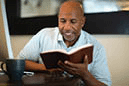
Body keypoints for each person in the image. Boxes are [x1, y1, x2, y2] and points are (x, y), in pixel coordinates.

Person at [18, 1, 112, 86]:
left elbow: (105, 84)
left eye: (73, 21)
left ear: (82, 22)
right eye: (62, 21)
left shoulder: (96, 48)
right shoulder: (44, 35)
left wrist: (85, 74)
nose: (67, 27)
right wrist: (45, 68)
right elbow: (19, 62)